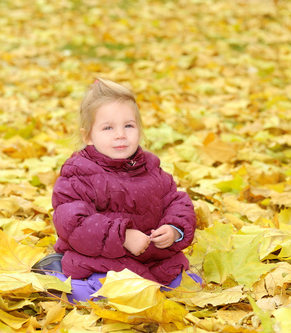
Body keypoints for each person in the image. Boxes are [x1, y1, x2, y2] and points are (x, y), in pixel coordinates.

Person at [33, 78, 200, 302]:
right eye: (108, 127)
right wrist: (122, 236)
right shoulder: (79, 173)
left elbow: (176, 202)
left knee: (191, 285)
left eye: (128, 125)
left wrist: (174, 229)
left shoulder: (150, 167)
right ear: (88, 136)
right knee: (98, 292)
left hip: (152, 260)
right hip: (102, 261)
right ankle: (58, 275)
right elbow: (74, 223)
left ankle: (146, 290)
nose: (120, 134)